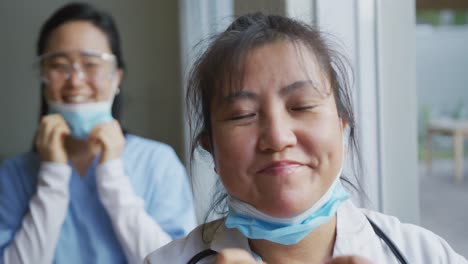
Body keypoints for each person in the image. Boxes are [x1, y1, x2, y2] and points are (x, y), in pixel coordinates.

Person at [145, 13, 467, 264]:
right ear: (210, 148)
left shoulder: (424, 255)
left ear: (342, 126)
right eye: (243, 114)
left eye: (302, 106)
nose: (277, 137)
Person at [0, 2, 196, 263]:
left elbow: (177, 261)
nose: (75, 79)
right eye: (59, 65)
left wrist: (112, 177)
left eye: (91, 64)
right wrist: (53, 176)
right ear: (44, 80)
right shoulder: (13, 175)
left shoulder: (158, 163)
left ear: (117, 77)